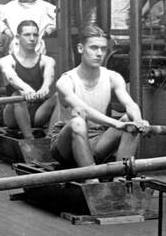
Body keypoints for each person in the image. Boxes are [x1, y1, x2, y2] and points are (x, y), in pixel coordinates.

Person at [49, 27, 148, 167]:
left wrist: (138, 122)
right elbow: (84, 110)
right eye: (94, 48)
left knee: (130, 119)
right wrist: (116, 124)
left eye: (103, 49)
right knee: (78, 122)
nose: (99, 53)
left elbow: (130, 104)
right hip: (66, 145)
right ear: (80, 48)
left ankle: (120, 177)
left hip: (97, 139)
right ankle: (92, 179)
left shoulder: (113, 77)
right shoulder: (66, 81)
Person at [0, 19, 57, 139]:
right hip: (13, 115)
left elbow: (49, 75)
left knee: (59, 95)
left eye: (35, 35)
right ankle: (29, 139)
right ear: (18, 37)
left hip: (38, 114)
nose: (32, 38)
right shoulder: (6, 61)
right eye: (27, 35)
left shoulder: (47, 60)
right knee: (17, 95)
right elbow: (11, 77)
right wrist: (26, 89)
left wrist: (45, 88)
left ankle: (50, 138)